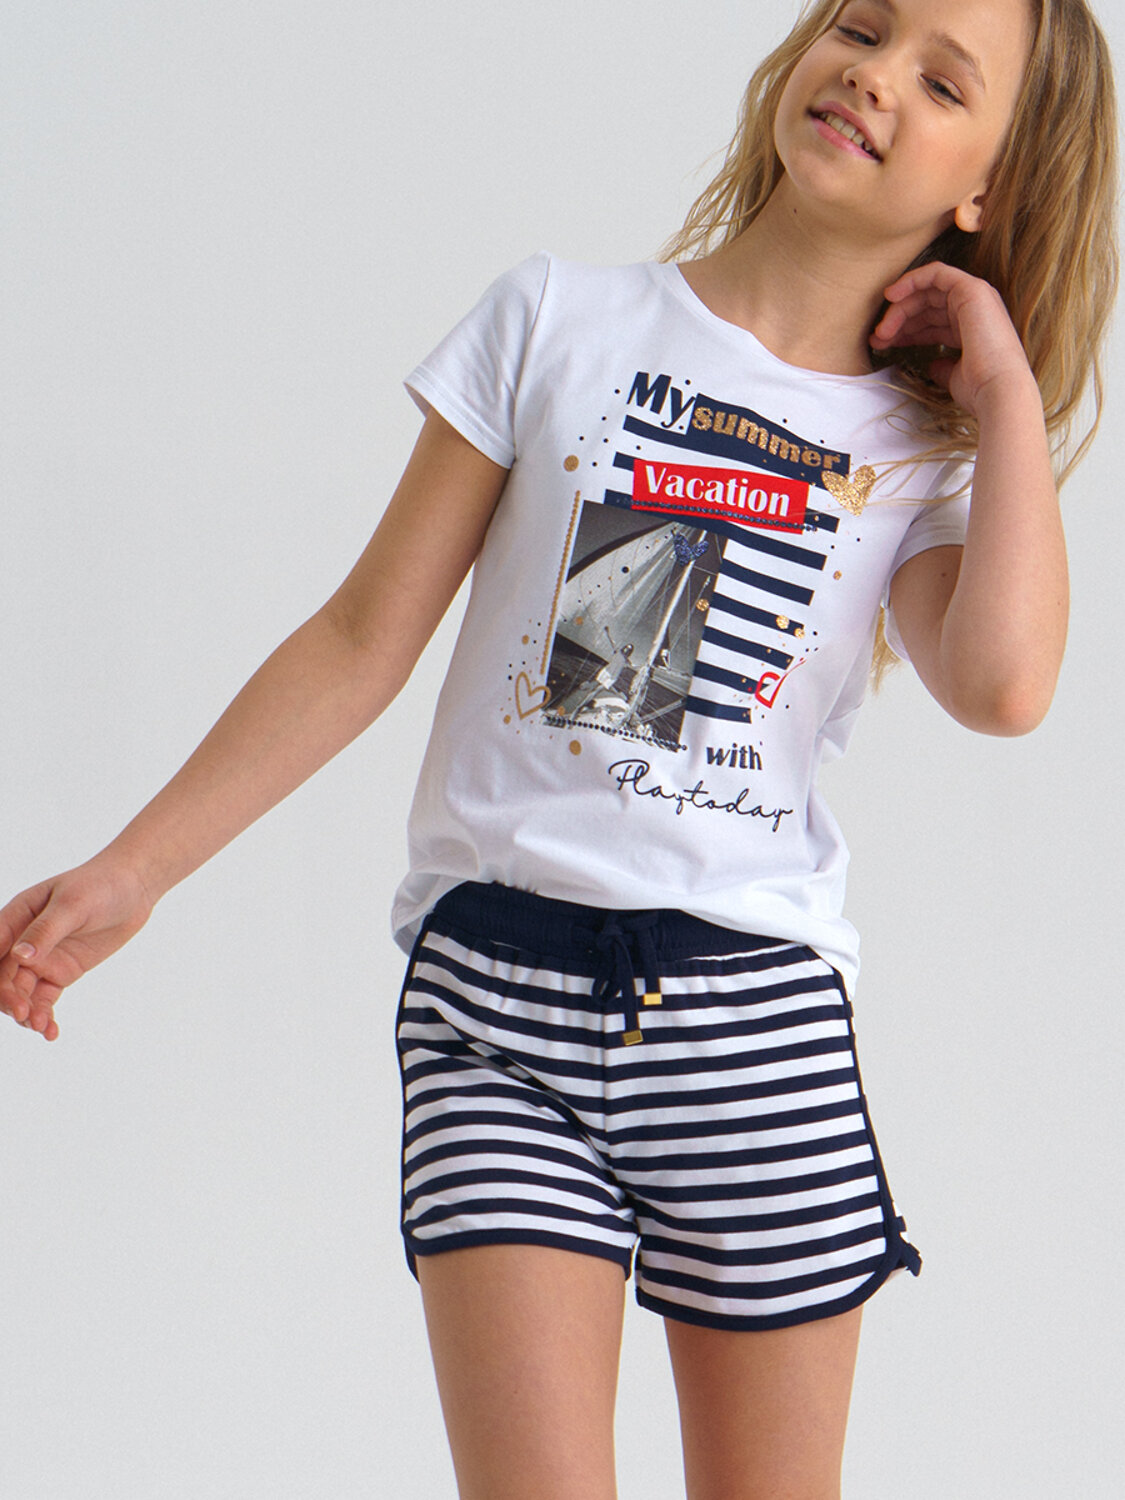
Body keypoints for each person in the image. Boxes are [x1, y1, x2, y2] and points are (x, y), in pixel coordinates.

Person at [1, 0, 1117, 1493]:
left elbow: (1005, 687)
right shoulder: (555, 321)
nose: (873, 75)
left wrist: (1003, 393)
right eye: (860, 25)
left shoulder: (918, 454)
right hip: (493, 1004)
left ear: (987, 184)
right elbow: (361, 636)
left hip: (752, 1026)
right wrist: (136, 869)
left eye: (943, 80)